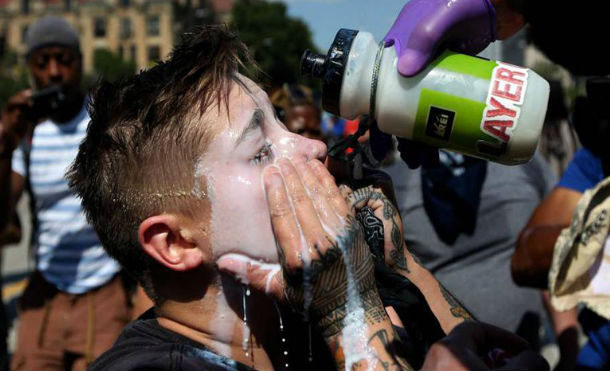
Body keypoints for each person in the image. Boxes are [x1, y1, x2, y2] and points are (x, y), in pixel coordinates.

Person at [67, 25, 546, 371]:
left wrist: (398, 263)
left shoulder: (309, 310)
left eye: (283, 122)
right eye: (260, 151)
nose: (314, 146)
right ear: (175, 243)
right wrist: (350, 314)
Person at [0, 17, 131, 370]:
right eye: (42, 63)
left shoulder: (105, 124)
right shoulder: (26, 137)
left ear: (79, 62)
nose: (54, 73)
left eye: (64, 60)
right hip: (46, 293)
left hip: (104, 289)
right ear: (30, 69)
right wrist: (5, 143)